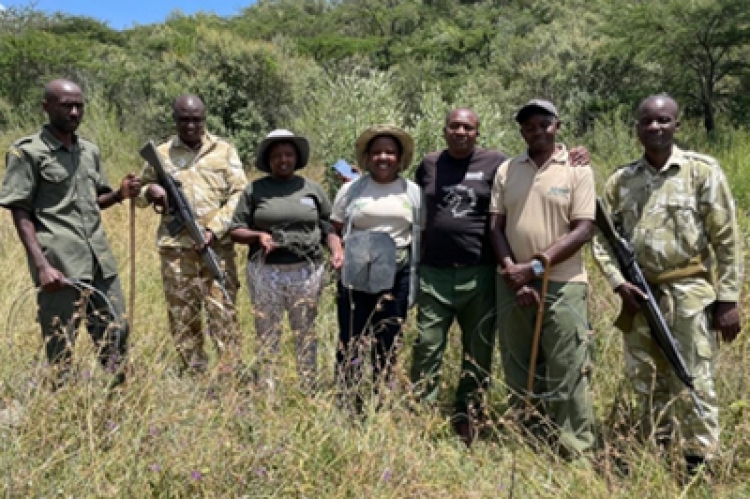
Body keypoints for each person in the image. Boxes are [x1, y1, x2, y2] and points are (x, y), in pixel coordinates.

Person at [409, 108, 590, 446]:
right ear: (444, 129)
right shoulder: (429, 163)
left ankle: (470, 414)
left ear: (478, 132)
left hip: (481, 271)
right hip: (435, 272)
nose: (461, 132)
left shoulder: (497, 163)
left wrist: (576, 154)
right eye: (454, 126)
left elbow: (513, 210)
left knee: (479, 348)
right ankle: (420, 413)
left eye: (468, 127)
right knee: (426, 345)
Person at [592, 94, 743, 474]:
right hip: (639, 297)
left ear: (677, 125)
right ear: (637, 128)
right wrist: (616, 284)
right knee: (645, 381)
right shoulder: (620, 181)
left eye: (663, 120)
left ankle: (700, 464)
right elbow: (601, 238)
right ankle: (654, 455)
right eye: (647, 121)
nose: (655, 127)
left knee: (693, 378)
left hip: (690, 294)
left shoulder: (702, 172)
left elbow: (727, 239)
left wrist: (728, 299)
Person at [0, 79, 141, 387]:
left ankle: (117, 403)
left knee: (116, 334)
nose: (75, 112)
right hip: (60, 265)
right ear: (47, 107)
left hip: (99, 260)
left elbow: (96, 200)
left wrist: (120, 194)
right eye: (67, 105)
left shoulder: (89, 151)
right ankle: (60, 407)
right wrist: (42, 266)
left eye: (79, 106)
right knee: (61, 341)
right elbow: (20, 212)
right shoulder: (28, 153)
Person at [489, 99, 596, 458]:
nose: (536, 131)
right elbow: (496, 226)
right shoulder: (507, 169)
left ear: (557, 125)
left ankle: (575, 449)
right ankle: (529, 442)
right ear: (521, 131)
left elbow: (583, 230)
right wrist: (513, 273)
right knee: (519, 365)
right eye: (529, 126)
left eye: (543, 124)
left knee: (568, 369)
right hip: (511, 282)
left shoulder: (577, 169)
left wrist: (534, 268)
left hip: (563, 283)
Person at [138, 94, 248, 375]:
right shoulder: (160, 154)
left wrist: (215, 229)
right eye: (184, 120)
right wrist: (151, 191)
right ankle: (194, 375)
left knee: (223, 312)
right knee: (183, 316)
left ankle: (229, 377)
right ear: (175, 120)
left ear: (204, 119)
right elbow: (139, 192)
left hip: (216, 248)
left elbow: (240, 194)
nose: (190, 125)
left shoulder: (224, 151)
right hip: (176, 250)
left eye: (196, 119)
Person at [230, 129, 343, 390]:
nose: (283, 160)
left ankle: (308, 386)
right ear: (269, 160)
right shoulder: (255, 189)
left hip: (307, 271)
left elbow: (328, 227)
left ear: (297, 157)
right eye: (277, 155)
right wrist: (258, 236)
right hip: (265, 272)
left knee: (305, 332)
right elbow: (235, 230)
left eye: (289, 154)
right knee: (267, 332)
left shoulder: (312, 189)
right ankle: (267, 388)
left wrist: (337, 250)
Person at [331, 124, 421, 411]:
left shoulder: (412, 192)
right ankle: (348, 400)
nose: (384, 157)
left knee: (388, 338)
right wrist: (337, 252)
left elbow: (421, 233)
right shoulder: (351, 189)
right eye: (377, 152)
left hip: (397, 274)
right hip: (355, 275)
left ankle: (381, 399)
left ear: (400, 157)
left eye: (390, 152)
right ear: (367, 157)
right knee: (351, 337)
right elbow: (334, 229)